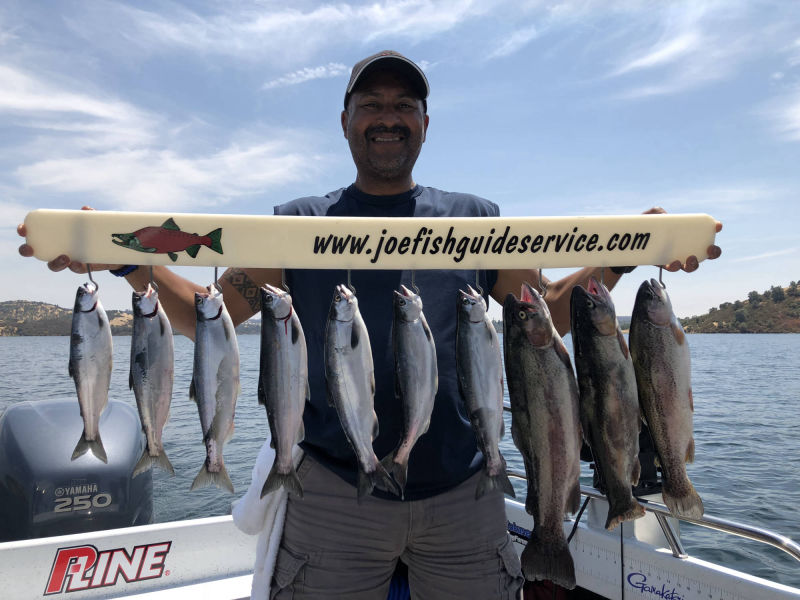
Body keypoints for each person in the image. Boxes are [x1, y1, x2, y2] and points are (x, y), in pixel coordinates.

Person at [18, 50, 722, 599]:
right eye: (371, 104)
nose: (388, 116)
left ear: (424, 122)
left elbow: (548, 319)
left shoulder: (476, 221)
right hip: (329, 494)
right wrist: (119, 260)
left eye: (404, 105)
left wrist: (626, 259)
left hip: (465, 491)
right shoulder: (294, 227)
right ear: (346, 119)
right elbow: (205, 316)